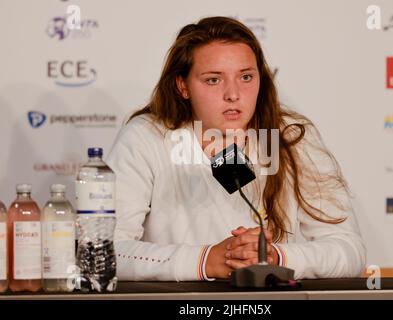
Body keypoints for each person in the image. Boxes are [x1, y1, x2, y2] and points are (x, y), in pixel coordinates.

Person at [106, 16, 366, 281]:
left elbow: (349, 250)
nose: (233, 94)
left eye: (245, 77)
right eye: (213, 80)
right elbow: (107, 252)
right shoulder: (145, 138)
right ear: (182, 86)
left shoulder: (291, 136)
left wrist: (277, 257)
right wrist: (205, 260)